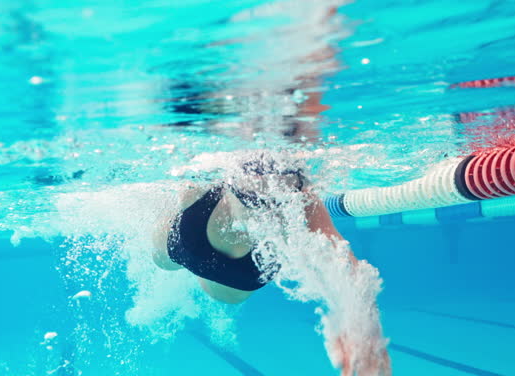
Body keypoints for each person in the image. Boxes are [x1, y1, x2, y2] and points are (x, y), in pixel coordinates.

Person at [151, 156, 392, 375]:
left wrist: (366, 329)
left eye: (279, 200)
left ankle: (201, 274)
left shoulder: (306, 203)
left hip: (239, 275)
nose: (266, 212)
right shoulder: (201, 189)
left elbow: (345, 264)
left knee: (221, 296)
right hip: (189, 240)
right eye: (253, 198)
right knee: (161, 262)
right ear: (230, 186)